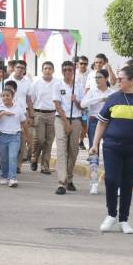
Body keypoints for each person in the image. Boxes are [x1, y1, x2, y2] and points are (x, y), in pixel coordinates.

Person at [91, 65, 133, 234]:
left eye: (121, 78)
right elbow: (102, 122)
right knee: (112, 180)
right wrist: (94, 144)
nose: (117, 81)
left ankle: (124, 219)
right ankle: (111, 215)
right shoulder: (113, 98)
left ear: (132, 80)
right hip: (112, 147)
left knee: (127, 183)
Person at [80, 69, 115, 195]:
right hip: (95, 121)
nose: (97, 80)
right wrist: (100, 99)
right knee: (94, 151)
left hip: (109, 122)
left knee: (110, 152)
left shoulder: (113, 93)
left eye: (99, 77)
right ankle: (94, 182)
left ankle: (111, 183)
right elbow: (83, 104)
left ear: (106, 78)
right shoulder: (92, 91)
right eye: (96, 77)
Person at [53, 61, 84, 195]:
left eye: (69, 70)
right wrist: (66, 123)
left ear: (73, 71)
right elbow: (57, 105)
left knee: (73, 150)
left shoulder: (79, 85)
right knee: (61, 150)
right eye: (64, 70)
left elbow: (83, 106)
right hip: (61, 119)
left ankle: (69, 178)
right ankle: (61, 182)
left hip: (76, 119)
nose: (67, 72)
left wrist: (76, 100)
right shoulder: (57, 85)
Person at [0, 85, 26, 187]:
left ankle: (12, 178)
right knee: (4, 159)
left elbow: (24, 122)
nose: (5, 97)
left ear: (12, 96)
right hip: (2, 137)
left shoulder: (18, 108)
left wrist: (27, 137)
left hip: (15, 137)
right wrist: (3, 113)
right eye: (3, 96)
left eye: (8, 95)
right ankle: (4, 176)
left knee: (13, 157)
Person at [29, 61, 58, 175]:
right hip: (39, 113)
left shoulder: (57, 83)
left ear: (53, 70)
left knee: (49, 141)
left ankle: (45, 166)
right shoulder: (36, 84)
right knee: (40, 139)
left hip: (53, 114)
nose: (47, 70)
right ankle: (34, 157)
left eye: (50, 68)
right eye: (45, 68)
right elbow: (31, 101)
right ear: (42, 70)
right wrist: (31, 115)